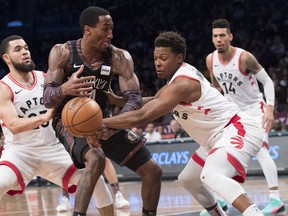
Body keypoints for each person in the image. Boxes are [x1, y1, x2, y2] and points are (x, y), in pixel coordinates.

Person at [98, 31, 266, 216]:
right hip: (215, 139)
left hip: (237, 129)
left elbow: (142, 116)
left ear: (179, 58)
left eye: (163, 58)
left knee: (211, 174)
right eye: (155, 58)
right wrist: (118, 101)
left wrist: (99, 122)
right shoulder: (174, 81)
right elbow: (155, 99)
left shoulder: (183, 83)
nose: (158, 62)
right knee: (188, 179)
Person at [43, 6, 162, 216]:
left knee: (153, 171)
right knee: (96, 157)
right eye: (105, 29)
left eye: (112, 29)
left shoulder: (119, 57)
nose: (110, 34)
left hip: (103, 120)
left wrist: (114, 126)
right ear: (88, 30)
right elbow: (47, 99)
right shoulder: (63, 52)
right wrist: (65, 88)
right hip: (69, 122)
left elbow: (133, 98)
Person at [0, 35, 114, 216]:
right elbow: (13, 124)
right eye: (18, 49)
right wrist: (45, 117)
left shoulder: (45, 78)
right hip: (21, 153)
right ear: (6, 58)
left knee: (96, 180)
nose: (25, 52)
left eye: (26, 47)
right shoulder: (4, 87)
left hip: (54, 149)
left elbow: (70, 109)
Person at [206, 18, 285, 215]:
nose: (219, 39)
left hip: (254, 109)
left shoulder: (244, 58)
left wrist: (269, 107)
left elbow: (267, 82)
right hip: (232, 112)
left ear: (230, 36)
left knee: (261, 151)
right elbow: (217, 88)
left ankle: (276, 198)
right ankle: (221, 201)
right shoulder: (210, 60)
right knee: (224, 152)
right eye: (215, 36)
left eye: (222, 35)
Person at [56, 157, 130, 212]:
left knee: (104, 158)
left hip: (91, 137)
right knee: (67, 162)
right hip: (72, 138)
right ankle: (65, 199)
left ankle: (118, 194)